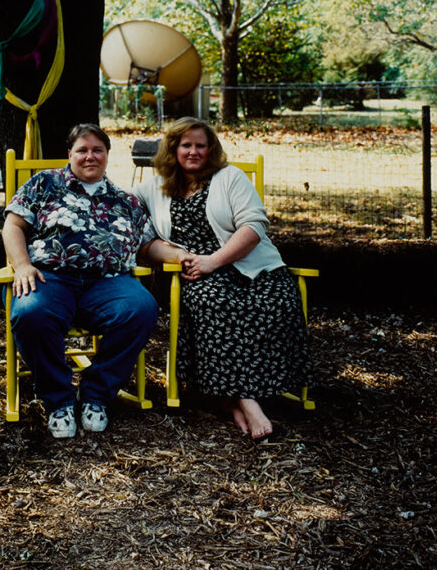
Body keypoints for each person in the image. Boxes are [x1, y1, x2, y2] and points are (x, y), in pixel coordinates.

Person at [134, 117, 313, 441]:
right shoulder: (154, 185)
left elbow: (254, 226)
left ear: (211, 149)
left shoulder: (230, 177)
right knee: (213, 302)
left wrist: (214, 261)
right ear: (173, 149)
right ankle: (248, 400)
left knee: (277, 300)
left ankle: (232, 399)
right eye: (185, 145)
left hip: (247, 264)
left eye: (200, 145)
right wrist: (175, 256)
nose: (193, 151)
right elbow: (130, 221)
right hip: (193, 272)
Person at [3, 123, 158, 439]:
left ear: (107, 155)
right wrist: (21, 265)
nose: (90, 156)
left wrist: (188, 258)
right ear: (69, 154)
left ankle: (96, 395)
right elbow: (12, 226)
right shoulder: (45, 183)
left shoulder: (125, 199)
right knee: (31, 313)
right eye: (82, 150)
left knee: (142, 308)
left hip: (108, 283)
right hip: (50, 278)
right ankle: (58, 400)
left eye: (97, 150)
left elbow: (148, 244)